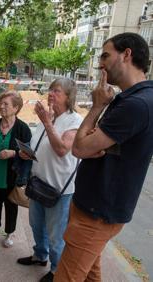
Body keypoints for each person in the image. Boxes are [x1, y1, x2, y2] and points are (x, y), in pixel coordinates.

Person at [55, 33, 153, 281]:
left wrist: (97, 107)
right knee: (90, 276)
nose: (100, 63)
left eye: (105, 55)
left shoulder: (136, 105)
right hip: (94, 206)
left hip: (96, 213)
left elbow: (79, 149)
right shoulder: (135, 98)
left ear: (127, 54)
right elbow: (88, 143)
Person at [17, 78, 82, 282]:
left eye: (57, 91)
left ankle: (56, 271)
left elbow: (62, 150)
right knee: (37, 225)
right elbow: (39, 145)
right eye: (50, 90)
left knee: (56, 236)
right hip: (39, 183)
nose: (51, 94)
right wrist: (28, 153)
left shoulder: (75, 121)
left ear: (68, 97)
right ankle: (40, 256)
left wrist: (46, 121)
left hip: (59, 189)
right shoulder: (50, 116)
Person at [0, 90, 31, 248]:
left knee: (11, 206)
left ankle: (10, 233)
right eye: (0, 103)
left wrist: (14, 153)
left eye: (6, 104)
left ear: (16, 108)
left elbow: (30, 154)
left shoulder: (23, 129)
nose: (2, 107)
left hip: (12, 176)